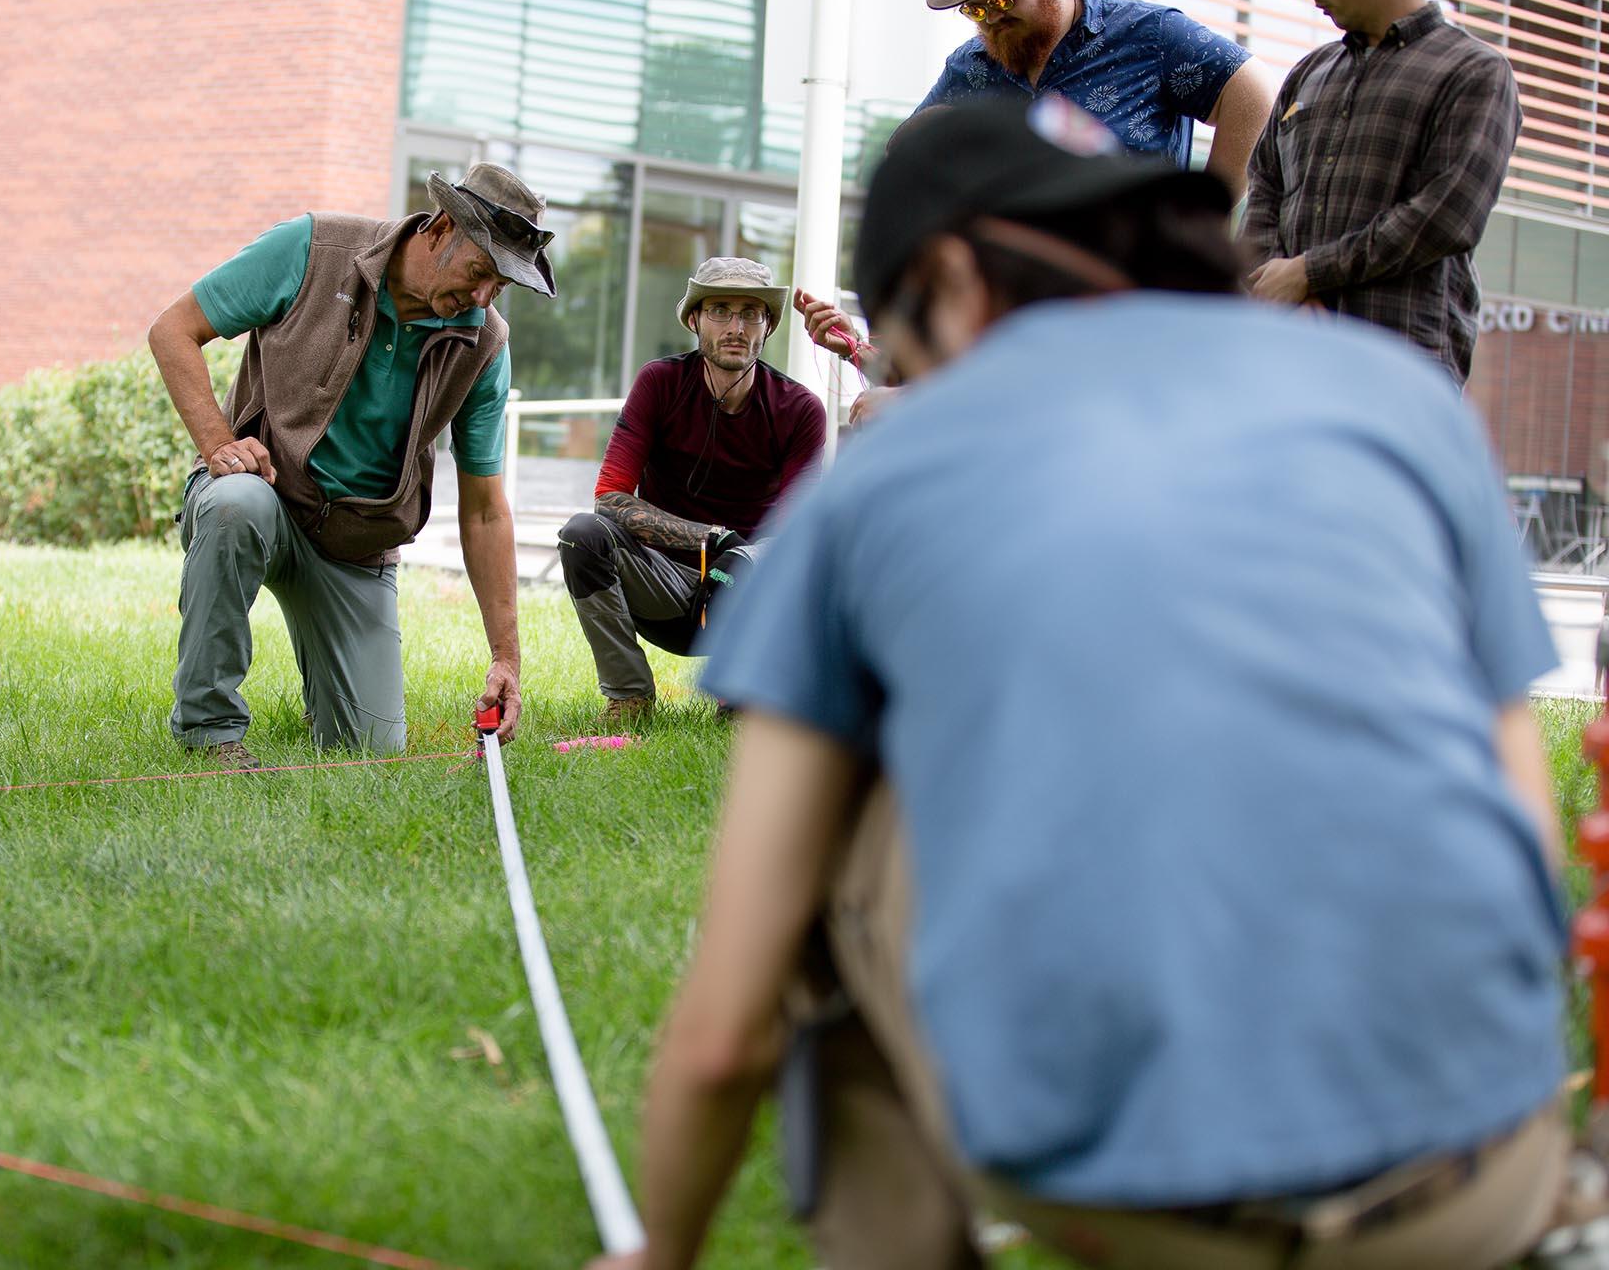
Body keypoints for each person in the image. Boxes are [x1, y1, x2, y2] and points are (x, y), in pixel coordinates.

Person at [590, 95, 1574, 1270]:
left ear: (949, 285)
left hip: (1144, 1204)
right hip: (1488, 1168)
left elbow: (721, 1036)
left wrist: (660, 1256)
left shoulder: (884, 486)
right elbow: (1530, 845)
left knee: (826, 832)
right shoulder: (1406, 404)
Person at [148, 164, 550, 765]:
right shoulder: (312, 250)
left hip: (357, 549)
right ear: (441, 229)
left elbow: (486, 511)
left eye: (500, 285)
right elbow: (173, 330)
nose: (483, 297)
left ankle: (331, 682)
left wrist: (505, 656)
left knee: (370, 755)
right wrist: (217, 443)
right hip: (267, 497)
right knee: (234, 505)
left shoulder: (485, 346)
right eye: (479, 273)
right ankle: (209, 730)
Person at [556, 258, 824, 727]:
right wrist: (715, 539)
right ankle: (629, 699)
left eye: (751, 313)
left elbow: (803, 530)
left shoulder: (799, 409)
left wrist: (745, 559)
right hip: (662, 584)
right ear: (694, 320)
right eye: (720, 309)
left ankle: (743, 693)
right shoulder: (659, 383)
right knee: (583, 534)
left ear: (769, 326)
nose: (736, 326)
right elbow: (610, 497)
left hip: (748, 594)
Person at [1242, 0, 1520, 387]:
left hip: (1399, 367)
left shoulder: (1475, 72)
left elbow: (1446, 217)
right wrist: (1280, 288)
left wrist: (1308, 273)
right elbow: (1265, 185)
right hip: (1289, 358)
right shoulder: (1308, 72)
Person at [917, 0, 1273, 198]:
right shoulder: (969, 65)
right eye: (975, 9)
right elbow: (908, 148)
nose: (992, 18)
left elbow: (1253, 92)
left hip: (1131, 296)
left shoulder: (1150, 35)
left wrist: (1205, 217)